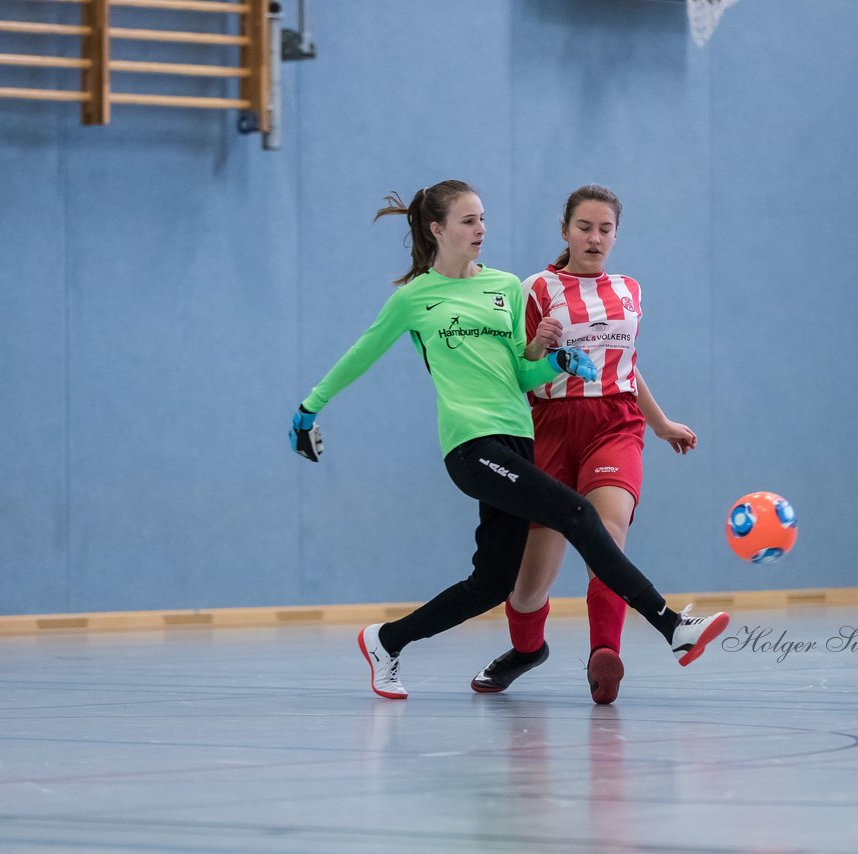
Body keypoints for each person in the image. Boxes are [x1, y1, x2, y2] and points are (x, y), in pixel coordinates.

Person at [288, 180, 729, 700]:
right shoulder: (413, 298)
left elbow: (520, 375)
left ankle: (385, 640)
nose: (481, 229)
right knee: (579, 515)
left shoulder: (503, 287)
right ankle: (672, 626)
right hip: (471, 445)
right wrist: (309, 408)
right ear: (437, 230)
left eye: (483, 219)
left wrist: (554, 360)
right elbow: (360, 354)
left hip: (519, 438)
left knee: (493, 583)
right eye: (469, 221)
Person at [469, 185, 703, 705]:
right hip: (548, 428)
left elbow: (627, 365)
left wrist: (660, 423)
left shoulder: (630, 290)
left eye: (605, 229)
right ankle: (527, 651)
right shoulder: (536, 288)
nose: (595, 239)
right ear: (565, 230)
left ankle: (605, 654)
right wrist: (537, 346)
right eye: (585, 228)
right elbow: (518, 373)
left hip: (614, 425)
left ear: (617, 235)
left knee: (608, 534)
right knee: (529, 586)